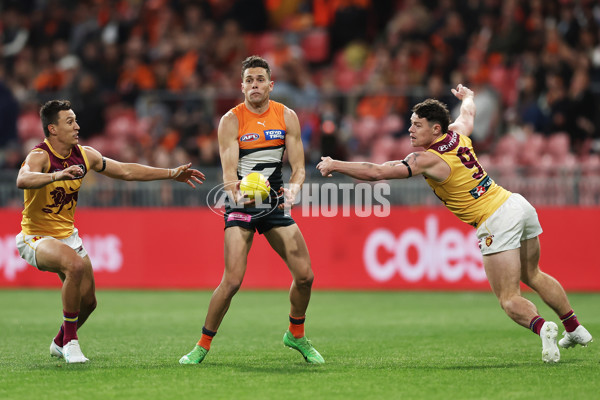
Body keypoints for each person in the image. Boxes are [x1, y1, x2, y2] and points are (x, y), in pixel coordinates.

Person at [317, 84, 593, 363]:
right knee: (533, 273)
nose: (410, 129)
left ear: (435, 129)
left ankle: (542, 326)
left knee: (508, 298)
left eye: (417, 125)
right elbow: (468, 114)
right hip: (516, 204)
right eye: (411, 123)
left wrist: (335, 164)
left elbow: (377, 172)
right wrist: (469, 97)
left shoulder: (427, 159)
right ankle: (575, 328)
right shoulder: (458, 133)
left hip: (494, 218)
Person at [16, 100, 205, 363]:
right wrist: (57, 176)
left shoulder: (86, 155)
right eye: (69, 121)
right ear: (53, 129)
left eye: (76, 120)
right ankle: (71, 343)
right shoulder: (39, 156)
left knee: (89, 303)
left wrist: (171, 173)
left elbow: (125, 170)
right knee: (74, 266)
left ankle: (59, 341)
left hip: (68, 236)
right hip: (36, 237)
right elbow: (22, 179)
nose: (77, 126)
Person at [179, 55, 324, 365]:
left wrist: (296, 188)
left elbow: (299, 168)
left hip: (273, 204)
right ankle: (202, 346)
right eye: (249, 80)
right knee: (232, 281)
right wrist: (237, 192)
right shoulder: (231, 120)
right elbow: (228, 172)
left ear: (271, 84)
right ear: (241, 86)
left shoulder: (287, 117)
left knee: (305, 277)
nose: (255, 85)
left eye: (260, 79)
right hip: (242, 204)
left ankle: (295, 335)